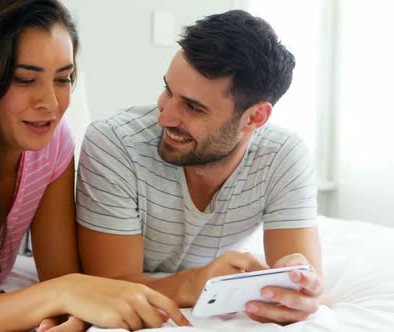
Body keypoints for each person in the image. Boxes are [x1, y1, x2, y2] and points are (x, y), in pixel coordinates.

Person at [77, 9, 325, 324]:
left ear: (254, 118)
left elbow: (308, 285)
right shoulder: (115, 142)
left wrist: (302, 294)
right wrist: (196, 283)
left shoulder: (283, 156)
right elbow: (105, 286)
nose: (164, 117)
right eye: (168, 90)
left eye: (193, 107)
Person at [0, 1, 190, 330]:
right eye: (25, 80)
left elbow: (61, 278)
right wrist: (62, 293)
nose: (51, 103)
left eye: (63, 79)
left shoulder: (53, 144)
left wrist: (70, 313)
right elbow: (64, 287)